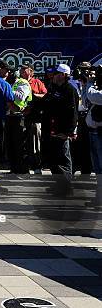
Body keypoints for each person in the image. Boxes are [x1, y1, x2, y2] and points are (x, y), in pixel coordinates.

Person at [44, 64, 79, 196]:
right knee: (53, 160)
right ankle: (58, 186)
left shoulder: (70, 90)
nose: (54, 76)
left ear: (64, 75)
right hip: (51, 129)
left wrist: (69, 132)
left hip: (62, 131)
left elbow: (73, 113)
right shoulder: (52, 88)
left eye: (57, 73)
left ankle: (67, 188)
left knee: (63, 158)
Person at [5, 65, 32, 174]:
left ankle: (23, 169)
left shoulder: (22, 82)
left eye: (9, 73)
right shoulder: (8, 84)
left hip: (20, 116)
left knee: (20, 143)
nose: (7, 75)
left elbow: (20, 97)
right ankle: (13, 168)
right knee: (10, 143)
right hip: (8, 116)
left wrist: (6, 91)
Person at [21, 64, 47, 174]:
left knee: (36, 143)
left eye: (24, 69)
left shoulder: (37, 82)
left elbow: (45, 95)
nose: (21, 71)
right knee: (23, 143)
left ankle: (37, 166)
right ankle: (24, 167)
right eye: (21, 69)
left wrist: (33, 95)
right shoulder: (19, 83)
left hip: (35, 119)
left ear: (31, 71)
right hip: (21, 118)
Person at [84, 65, 102, 205]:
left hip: (100, 133)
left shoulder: (96, 91)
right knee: (97, 167)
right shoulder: (96, 88)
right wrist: (86, 83)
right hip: (94, 131)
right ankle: (99, 196)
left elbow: (94, 97)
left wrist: (90, 83)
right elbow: (86, 101)